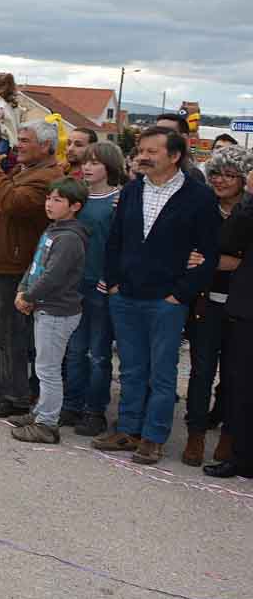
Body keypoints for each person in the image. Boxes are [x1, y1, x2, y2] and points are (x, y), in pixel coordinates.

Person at [92, 127, 221, 464]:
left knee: (161, 374)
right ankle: (129, 431)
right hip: (126, 297)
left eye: (153, 151)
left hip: (167, 302)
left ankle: (154, 437)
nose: (143, 156)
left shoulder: (199, 196)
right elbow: (115, 241)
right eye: (141, 150)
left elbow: (207, 253)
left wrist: (180, 295)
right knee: (132, 370)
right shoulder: (134, 189)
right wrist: (115, 284)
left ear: (175, 156)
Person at [0, 121, 64, 417]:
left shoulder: (47, 176)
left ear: (45, 146)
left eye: (26, 140)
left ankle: (15, 395)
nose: (18, 145)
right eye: (18, 139)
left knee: (8, 335)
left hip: (12, 265)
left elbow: (12, 203)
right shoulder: (24, 170)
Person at [182, 146, 251, 465]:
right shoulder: (202, 206)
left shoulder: (248, 211)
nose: (221, 180)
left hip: (241, 307)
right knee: (201, 370)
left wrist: (218, 261)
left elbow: (235, 261)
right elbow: (189, 253)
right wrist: (217, 262)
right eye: (216, 174)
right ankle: (195, 434)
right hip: (204, 302)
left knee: (235, 376)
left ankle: (228, 435)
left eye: (230, 175)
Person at [7, 179, 90, 443]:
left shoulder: (69, 238)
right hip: (44, 307)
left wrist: (29, 296)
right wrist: (23, 289)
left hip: (57, 311)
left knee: (48, 370)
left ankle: (47, 424)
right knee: (44, 367)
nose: (49, 204)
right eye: (49, 199)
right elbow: (36, 266)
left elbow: (53, 276)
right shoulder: (53, 230)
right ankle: (42, 412)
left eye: (57, 200)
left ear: (75, 206)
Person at [61, 141, 124, 437]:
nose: (87, 167)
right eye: (85, 162)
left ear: (109, 166)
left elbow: (120, 244)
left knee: (98, 353)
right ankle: (71, 403)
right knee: (74, 350)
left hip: (100, 284)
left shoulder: (119, 200)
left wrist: (108, 277)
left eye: (95, 162)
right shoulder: (79, 197)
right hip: (74, 283)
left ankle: (94, 409)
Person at [203, 186, 253, 479]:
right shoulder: (247, 209)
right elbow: (229, 238)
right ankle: (242, 457)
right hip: (248, 310)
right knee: (243, 386)